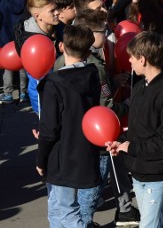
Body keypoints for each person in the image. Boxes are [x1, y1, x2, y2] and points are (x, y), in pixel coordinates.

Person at [107, 31, 163, 227]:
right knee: (157, 221)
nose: (129, 61)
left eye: (132, 56)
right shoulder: (141, 87)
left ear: (143, 60)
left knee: (149, 224)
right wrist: (122, 141)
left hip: (157, 174)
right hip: (140, 170)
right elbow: (138, 127)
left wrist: (131, 148)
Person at [36, 23, 101, 228]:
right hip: (82, 151)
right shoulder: (92, 74)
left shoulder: (55, 83)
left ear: (61, 47)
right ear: (89, 50)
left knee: (66, 212)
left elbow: (49, 130)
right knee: (56, 208)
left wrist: (40, 159)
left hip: (61, 156)